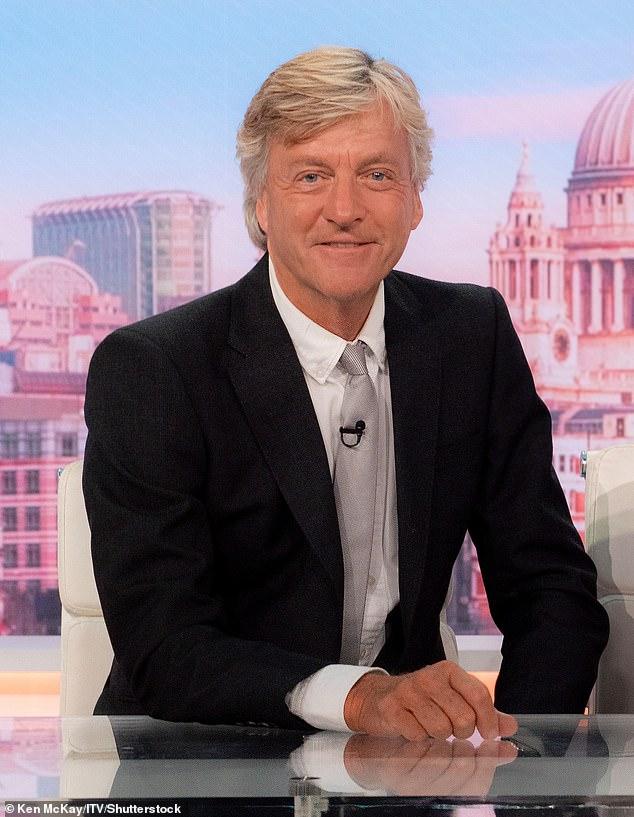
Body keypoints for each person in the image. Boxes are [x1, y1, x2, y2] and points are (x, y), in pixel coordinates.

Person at [82, 46, 609, 739]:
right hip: (200, 758)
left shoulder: (470, 336)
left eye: (377, 174)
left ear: (415, 200)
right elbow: (165, 647)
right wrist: (358, 698)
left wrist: (520, 754)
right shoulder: (156, 369)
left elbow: (552, 592)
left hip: (405, 770)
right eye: (311, 176)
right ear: (261, 204)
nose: (345, 209)